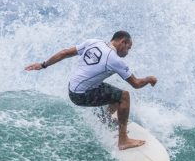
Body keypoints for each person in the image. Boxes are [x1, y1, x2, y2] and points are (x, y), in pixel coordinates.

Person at [25, 31, 157, 150]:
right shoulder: (115, 60)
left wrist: (42, 65)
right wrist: (149, 79)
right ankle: (123, 141)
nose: (127, 52)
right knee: (124, 96)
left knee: (116, 94)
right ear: (123, 42)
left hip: (73, 88)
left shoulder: (94, 42)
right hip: (81, 95)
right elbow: (136, 84)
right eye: (128, 48)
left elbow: (64, 53)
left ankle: (105, 119)